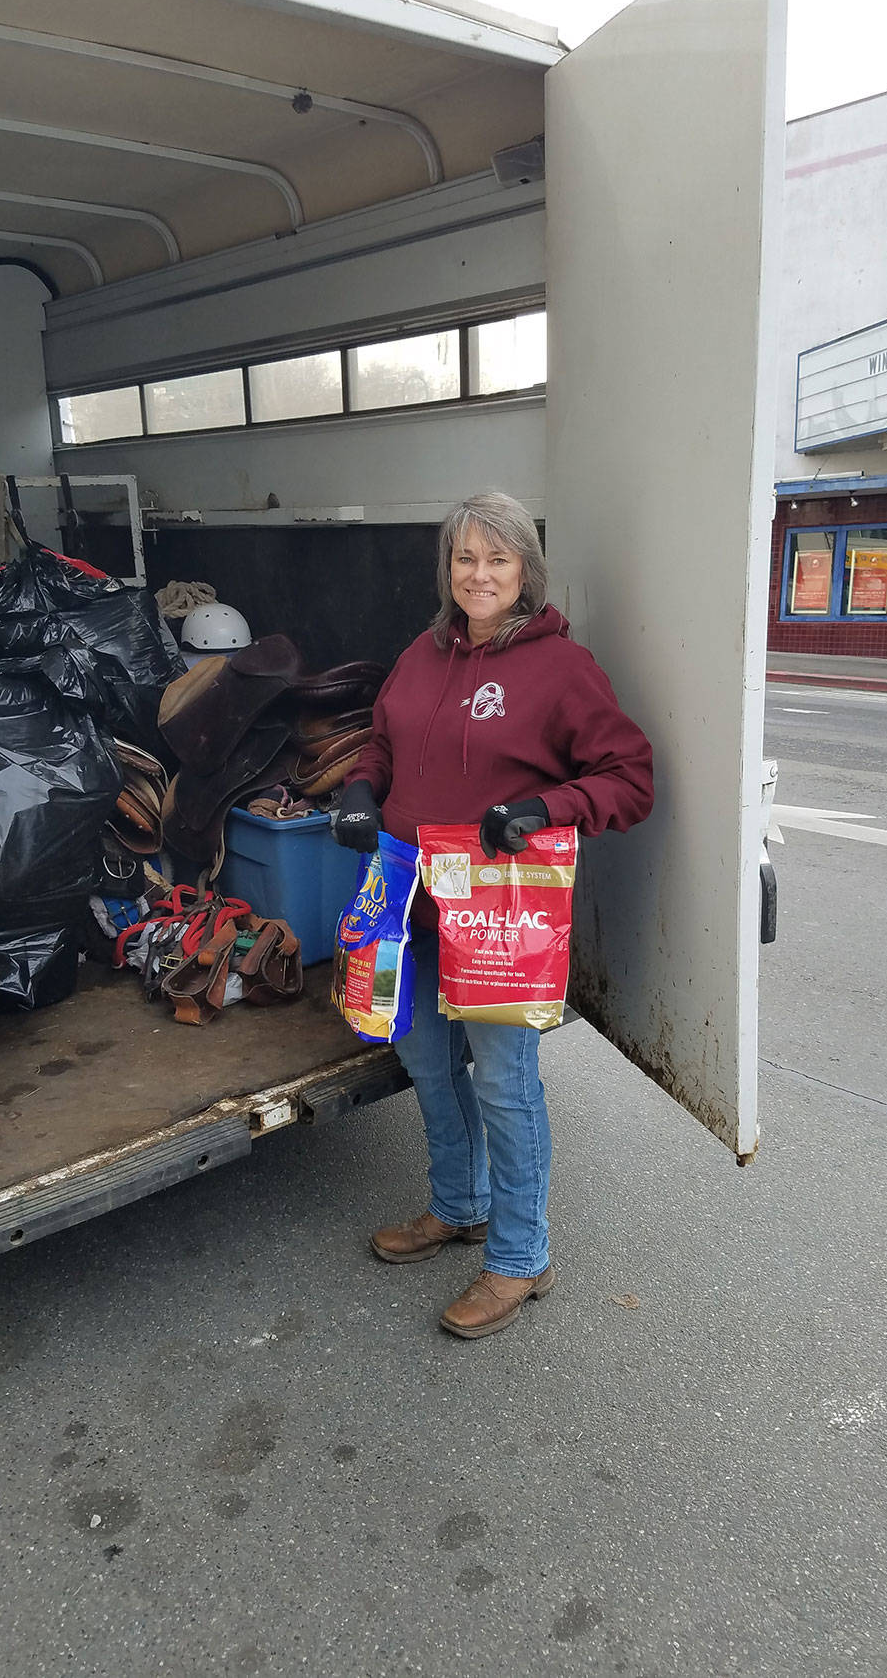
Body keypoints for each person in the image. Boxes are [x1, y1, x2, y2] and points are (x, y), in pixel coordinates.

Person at [334, 490, 653, 1340]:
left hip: (499, 911)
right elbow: (384, 740)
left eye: (498, 559)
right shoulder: (422, 652)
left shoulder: (561, 668)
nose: (479, 574)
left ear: (526, 572)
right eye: (465, 558)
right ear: (449, 569)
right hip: (408, 898)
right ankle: (461, 1204)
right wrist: (364, 788)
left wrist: (548, 808)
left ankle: (520, 1256)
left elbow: (630, 776)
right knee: (428, 1065)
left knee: (504, 1084)